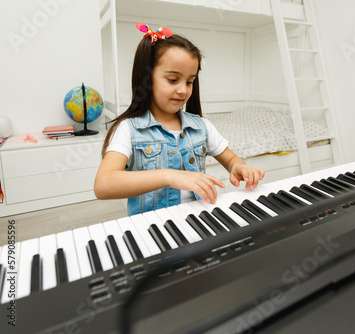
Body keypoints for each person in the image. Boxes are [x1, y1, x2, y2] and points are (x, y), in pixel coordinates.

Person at [94, 23, 265, 215]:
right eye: (173, 80)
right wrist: (169, 176)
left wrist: (238, 166)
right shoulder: (128, 129)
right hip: (154, 227)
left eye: (189, 81)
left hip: (199, 219)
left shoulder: (201, 126)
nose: (183, 90)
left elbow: (231, 158)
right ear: (147, 79)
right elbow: (103, 185)